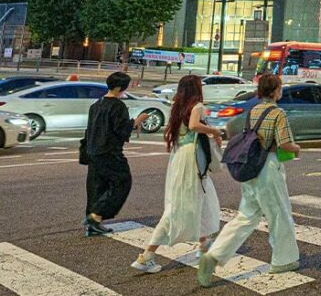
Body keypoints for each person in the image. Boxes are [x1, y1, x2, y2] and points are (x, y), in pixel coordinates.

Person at [198, 74, 302, 287]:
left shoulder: (253, 110)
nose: (280, 91)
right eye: (279, 88)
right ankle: (284, 260)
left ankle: (215, 254)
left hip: (251, 167)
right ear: (274, 91)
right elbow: (285, 144)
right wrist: (298, 148)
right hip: (269, 167)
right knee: (279, 214)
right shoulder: (277, 113)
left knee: (246, 216)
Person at [132, 74, 223, 274]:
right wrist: (214, 131)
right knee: (177, 208)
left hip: (180, 157)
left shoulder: (178, 106)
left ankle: (204, 244)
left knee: (202, 199)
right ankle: (146, 255)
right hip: (191, 160)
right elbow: (193, 126)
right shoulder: (197, 106)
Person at [83, 72, 150, 237]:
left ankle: (93, 222)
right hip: (110, 152)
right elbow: (121, 130)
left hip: (93, 151)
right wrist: (138, 121)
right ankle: (95, 216)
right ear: (120, 87)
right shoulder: (117, 106)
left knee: (97, 187)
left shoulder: (96, 104)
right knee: (122, 182)